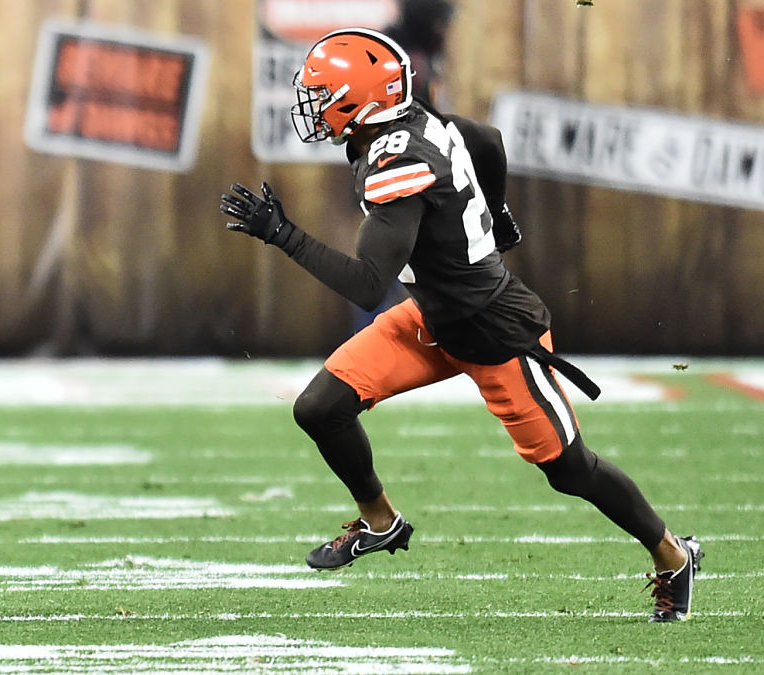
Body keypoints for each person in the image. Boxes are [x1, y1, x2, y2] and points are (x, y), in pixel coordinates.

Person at [219, 28, 702, 622]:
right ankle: (380, 523)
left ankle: (674, 556)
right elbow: (486, 139)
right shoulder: (410, 121)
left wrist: (282, 234)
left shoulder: (398, 160)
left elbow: (371, 285)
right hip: (434, 318)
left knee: (569, 469)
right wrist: (496, 214)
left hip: (496, 334)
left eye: (323, 94)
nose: (313, 107)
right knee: (320, 406)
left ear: (361, 100)